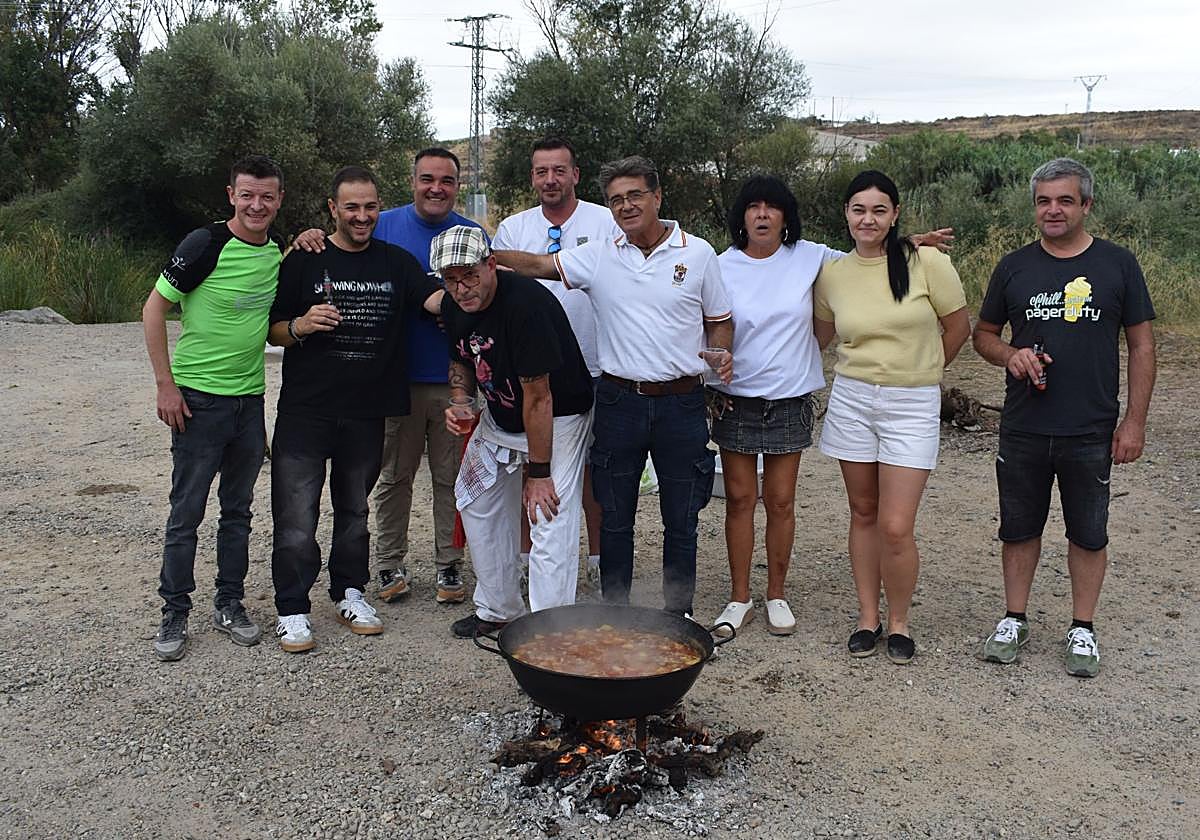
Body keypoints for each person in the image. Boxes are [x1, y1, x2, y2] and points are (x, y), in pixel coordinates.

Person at [495, 155, 733, 618]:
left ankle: (677, 615)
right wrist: (484, 255)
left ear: (657, 197)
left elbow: (719, 320)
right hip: (618, 400)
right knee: (615, 517)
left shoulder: (698, 253)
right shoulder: (600, 254)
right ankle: (617, 614)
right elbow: (540, 264)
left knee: (681, 518)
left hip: (682, 402)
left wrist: (720, 352)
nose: (625, 206)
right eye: (616, 200)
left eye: (635, 196)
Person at [973, 157, 1156, 678]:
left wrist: (1135, 421)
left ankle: (1082, 628)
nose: (1053, 210)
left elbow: (1142, 345)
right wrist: (1010, 355)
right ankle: (1014, 618)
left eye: (1064, 200)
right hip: (1025, 425)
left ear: (1086, 205)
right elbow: (982, 334)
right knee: (1018, 528)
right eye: (1044, 201)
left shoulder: (1118, 265)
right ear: (1035, 207)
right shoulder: (1014, 267)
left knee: (1088, 532)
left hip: (1091, 426)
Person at [267, 166, 444, 653]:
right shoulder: (305, 259)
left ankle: (349, 592)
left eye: (370, 207)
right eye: (351, 208)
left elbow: (433, 301)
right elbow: (273, 329)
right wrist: (301, 325)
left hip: (367, 412)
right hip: (306, 411)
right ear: (333, 209)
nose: (362, 216)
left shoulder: (396, 260)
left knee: (355, 512)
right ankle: (292, 608)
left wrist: (483, 295)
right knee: (297, 515)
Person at [295, 148, 482, 606]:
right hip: (392, 379)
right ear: (412, 181)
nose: (436, 187)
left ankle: (448, 564)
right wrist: (307, 237)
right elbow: (339, 248)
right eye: (427, 179)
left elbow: (480, 293)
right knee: (393, 475)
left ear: (457, 185)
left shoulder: (474, 233)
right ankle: (388, 562)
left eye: (446, 180)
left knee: (451, 476)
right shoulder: (385, 225)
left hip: (453, 379)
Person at [813, 169, 970, 664]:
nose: (868, 219)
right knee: (863, 513)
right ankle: (868, 617)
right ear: (846, 213)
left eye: (879, 210)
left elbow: (958, 326)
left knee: (896, 524)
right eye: (859, 209)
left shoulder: (926, 261)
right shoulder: (832, 274)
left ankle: (899, 620)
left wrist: (922, 370)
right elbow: (820, 338)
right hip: (853, 399)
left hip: (911, 402)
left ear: (895, 214)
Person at [141, 154, 285, 661]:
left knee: (238, 512)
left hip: (248, 402)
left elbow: (270, 323)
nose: (256, 205)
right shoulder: (204, 244)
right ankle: (174, 612)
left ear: (279, 200)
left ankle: (229, 603)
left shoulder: (275, 254)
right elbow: (154, 308)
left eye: (266, 196)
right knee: (186, 514)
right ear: (231, 195)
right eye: (247, 194)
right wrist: (166, 385)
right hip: (197, 402)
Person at [433, 226, 595, 637]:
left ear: (491, 265)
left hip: (558, 414)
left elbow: (539, 398)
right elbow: (464, 363)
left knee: (548, 513)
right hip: (501, 413)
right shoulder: (455, 305)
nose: (462, 288)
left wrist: (538, 474)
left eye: (469, 274)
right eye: (451, 279)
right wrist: (460, 400)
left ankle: (549, 628)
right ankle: (498, 607)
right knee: (474, 495)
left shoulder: (525, 304)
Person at [707, 176, 841, 637]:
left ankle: (776, 594)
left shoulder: (812, 257)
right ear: (741, 216)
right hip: (735, 399)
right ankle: (739, 597)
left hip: (788, 399)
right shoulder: (719, 265)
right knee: (740, 501)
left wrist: (911, 246)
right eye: (753, 206)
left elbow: (868, 264)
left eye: (772, 207)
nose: (762, 215)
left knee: (781, 501)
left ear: (786, 216)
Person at [491, 137, 618, 586]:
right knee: (536, 465)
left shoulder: (606, 222)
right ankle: (529, 558)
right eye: (542, 171)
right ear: (532, 176)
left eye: (559, 170)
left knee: (596, 471)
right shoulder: (512, 228)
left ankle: (601, 559)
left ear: (576, 174)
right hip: (537, 374)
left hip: (600, 364)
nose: (550, 179)